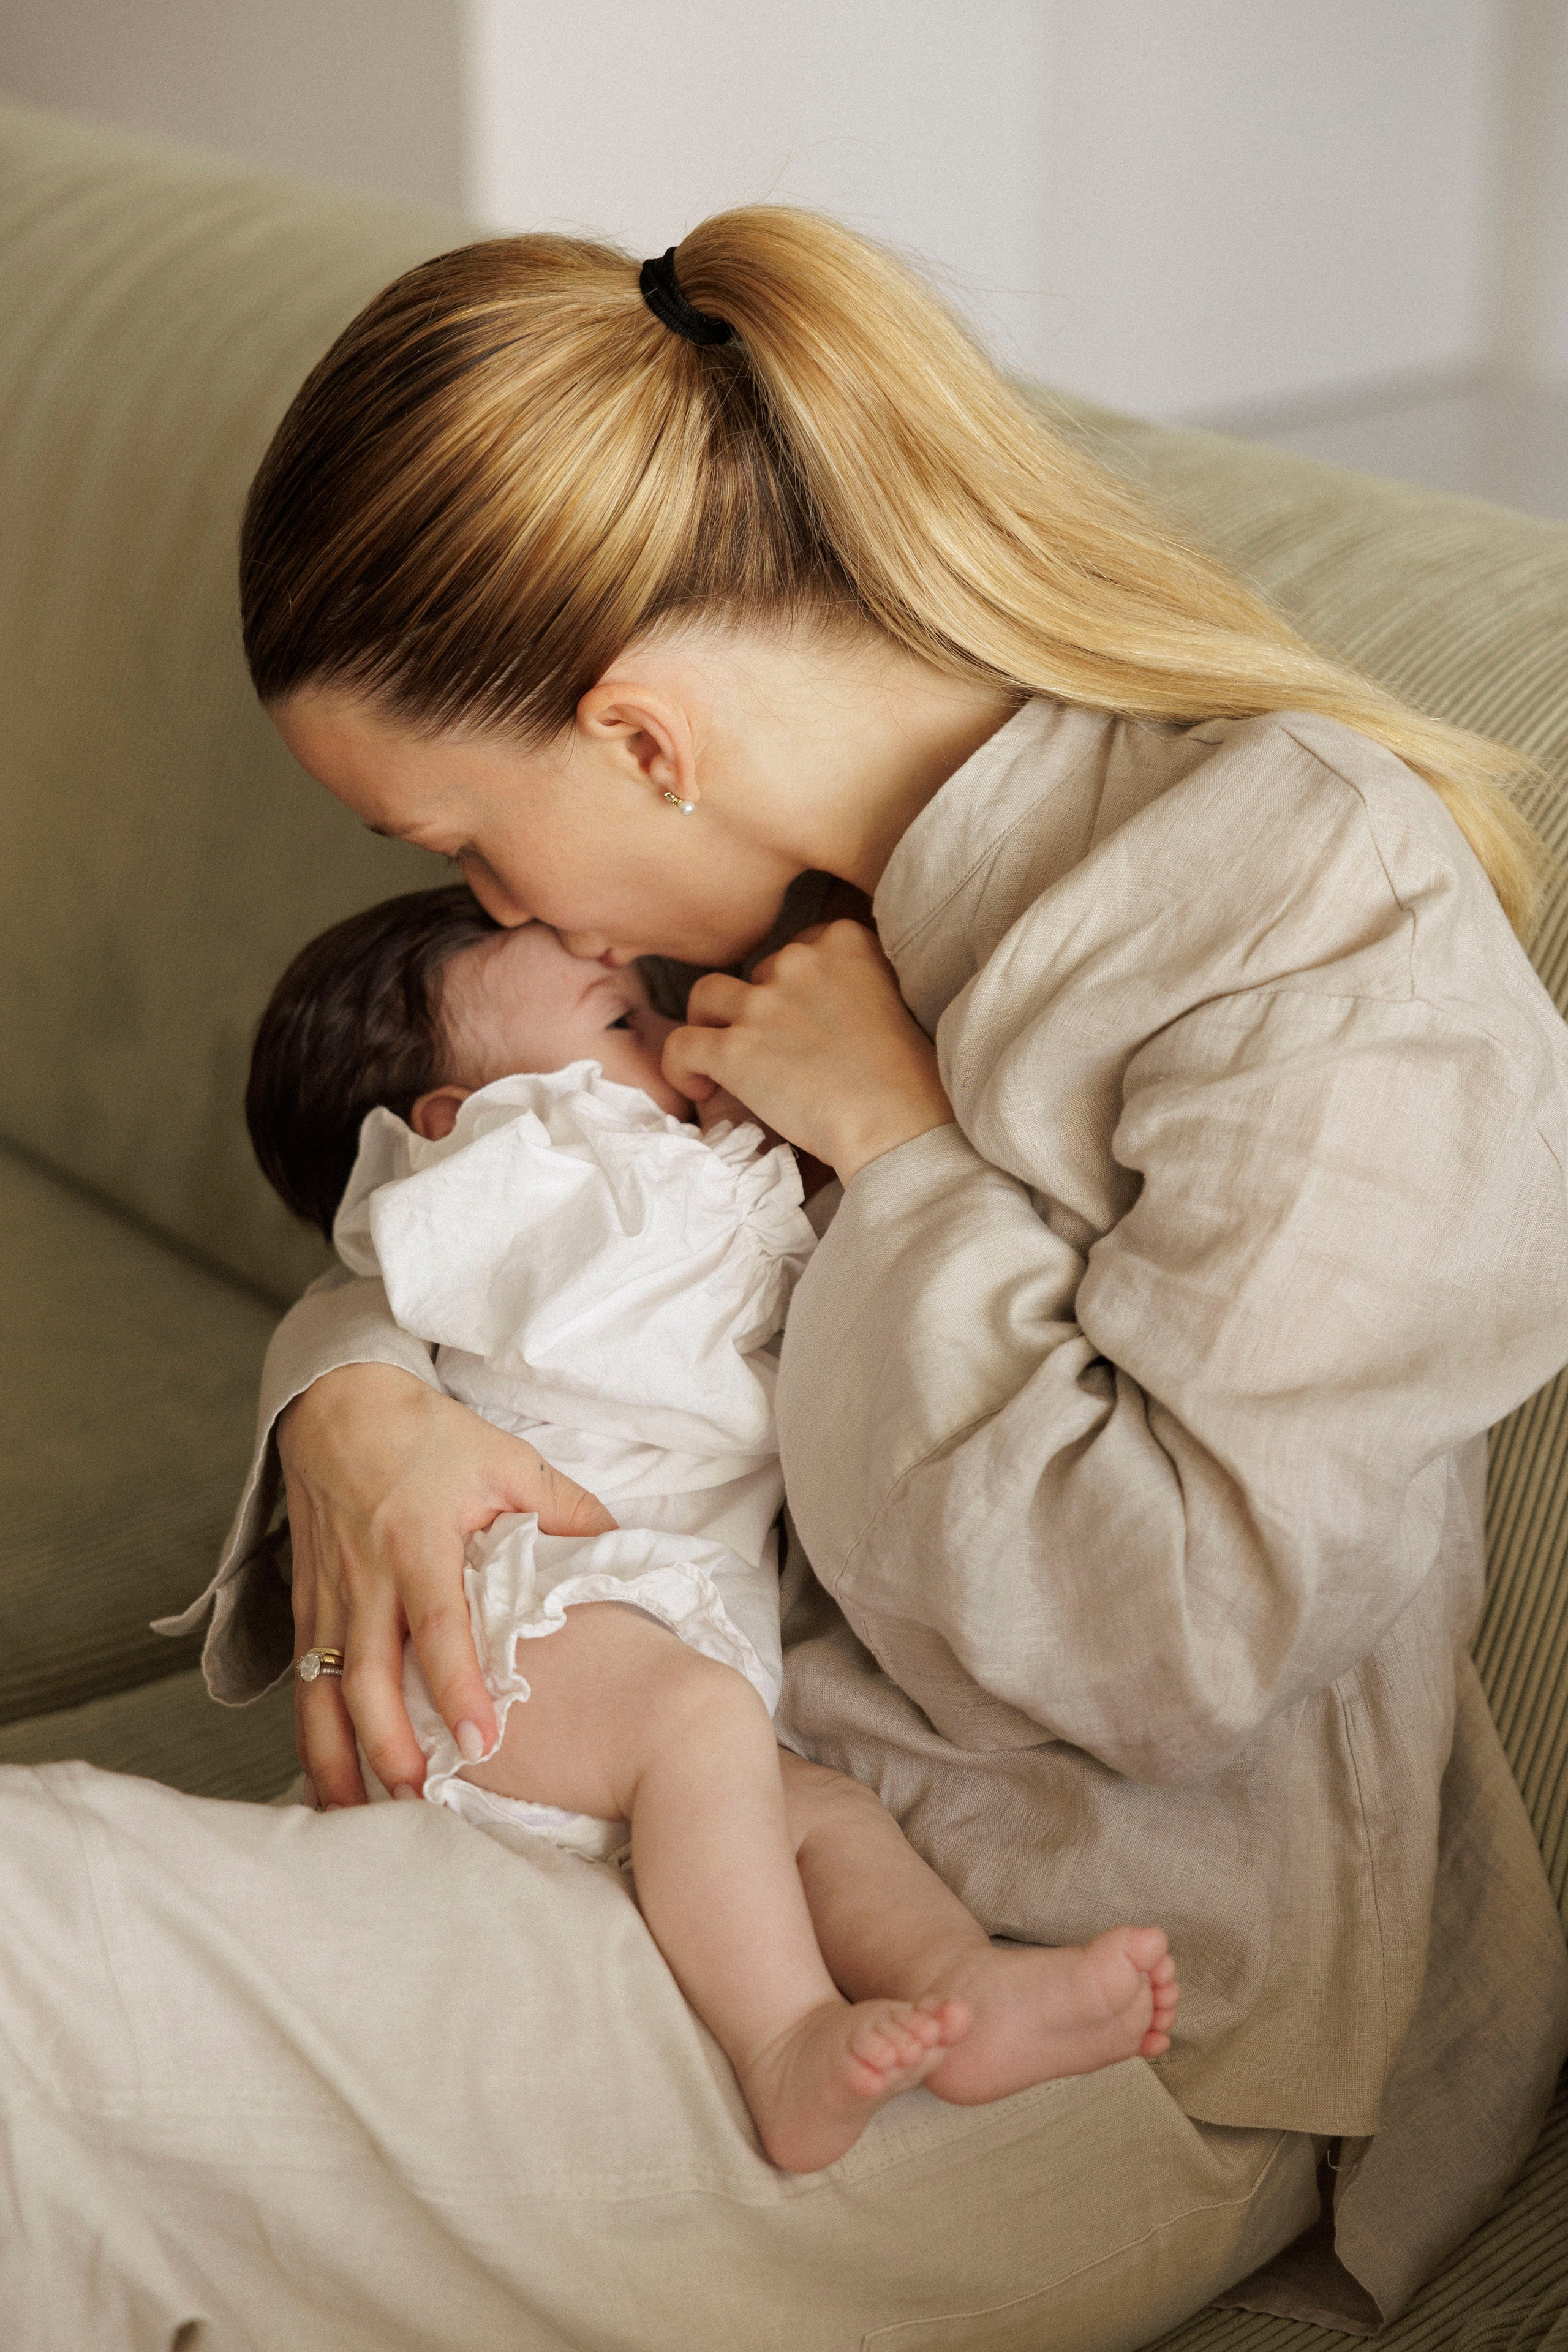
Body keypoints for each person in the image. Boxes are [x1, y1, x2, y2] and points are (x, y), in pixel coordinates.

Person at [169, 208, 1568, 2338]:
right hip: (653, 1860)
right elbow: (522, 1183)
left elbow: (1169, 1643)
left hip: (1109, 2005)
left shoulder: (1303, 911)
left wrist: (905, 1159)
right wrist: (354, 1397)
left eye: (462, 846)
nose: (499, 912)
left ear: (642, 740)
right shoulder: (743, 913)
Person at [236, 886, 1178, 2172]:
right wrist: (774, 1152)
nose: (677, 1045)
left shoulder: (610, 1189)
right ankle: (782, 2041)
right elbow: (693, 1354)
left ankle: (965, 1986)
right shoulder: (518, 1202)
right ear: (463, 1128)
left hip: (636, 1652)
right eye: (623, 1021)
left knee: (824, 1816)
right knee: (700, 1726)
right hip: (522, 1628)